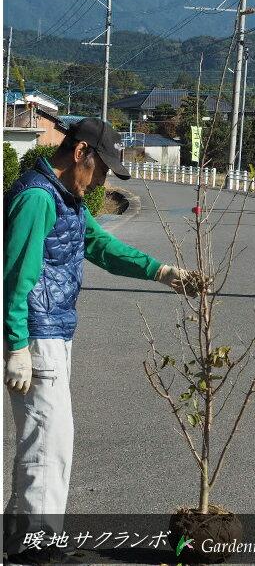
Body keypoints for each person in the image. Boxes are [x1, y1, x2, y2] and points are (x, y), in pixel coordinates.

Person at [3, 118, 203, 565]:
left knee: (48, 439)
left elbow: (100, 245)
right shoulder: (37, 198)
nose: (103, 179)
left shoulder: (67, 199)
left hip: (54, 332)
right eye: (102, 169)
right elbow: (15, 276)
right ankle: (37, 548)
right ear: (79, 154)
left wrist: (163, 272)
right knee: (48, 443)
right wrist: (15, 346)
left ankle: (21, 536)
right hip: (36, 336)